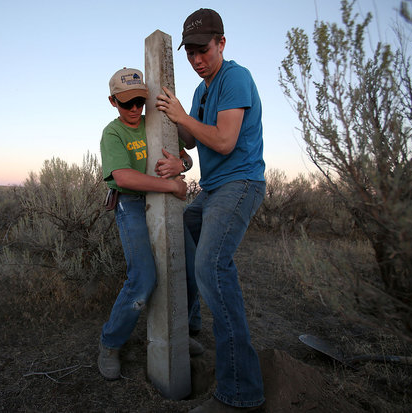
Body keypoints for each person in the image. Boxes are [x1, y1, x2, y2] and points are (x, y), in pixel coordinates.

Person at [156, 8, 266, 412]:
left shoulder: (236, 77)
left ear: (222, 43)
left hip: (240, 183)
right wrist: (171, 116)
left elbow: (222, 141)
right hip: (215, 188)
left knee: (211, 266)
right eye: (190, 53)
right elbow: (191, 137)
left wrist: (184, 117)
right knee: (180, 232)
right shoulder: (202, 92)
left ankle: (241, 393)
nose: (197, 59)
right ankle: (190, 329)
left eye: (203, 50)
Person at [98, 67, 202, 380]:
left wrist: (179, 164)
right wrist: (172, 185)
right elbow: (124, 177)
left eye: (139, 102)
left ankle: (178, 335)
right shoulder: (112, 133)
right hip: (131, 204)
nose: (134, 109)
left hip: (163, 204)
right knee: (143, 278)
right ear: (113, 101)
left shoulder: (154, 124)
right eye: (126, 103)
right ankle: (110, 343)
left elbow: (186, 159)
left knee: (190, 269)